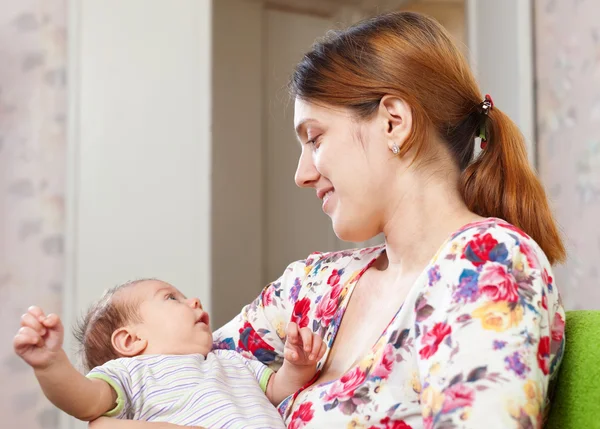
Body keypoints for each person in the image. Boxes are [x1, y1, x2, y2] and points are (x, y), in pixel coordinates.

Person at [87, 11, 566, 429]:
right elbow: (163, 378)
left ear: (393, 122)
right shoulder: (313, 288)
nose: (302, 174)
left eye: (314, 139)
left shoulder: (488, 267)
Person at [13, 279, 326, 429]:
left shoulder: (233, 360)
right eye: (172, 298)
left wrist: (297, 365)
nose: (194, 302)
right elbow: (86, 402)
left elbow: (278, 390)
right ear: (131, 340)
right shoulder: (132, 374)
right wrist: (51, 365)